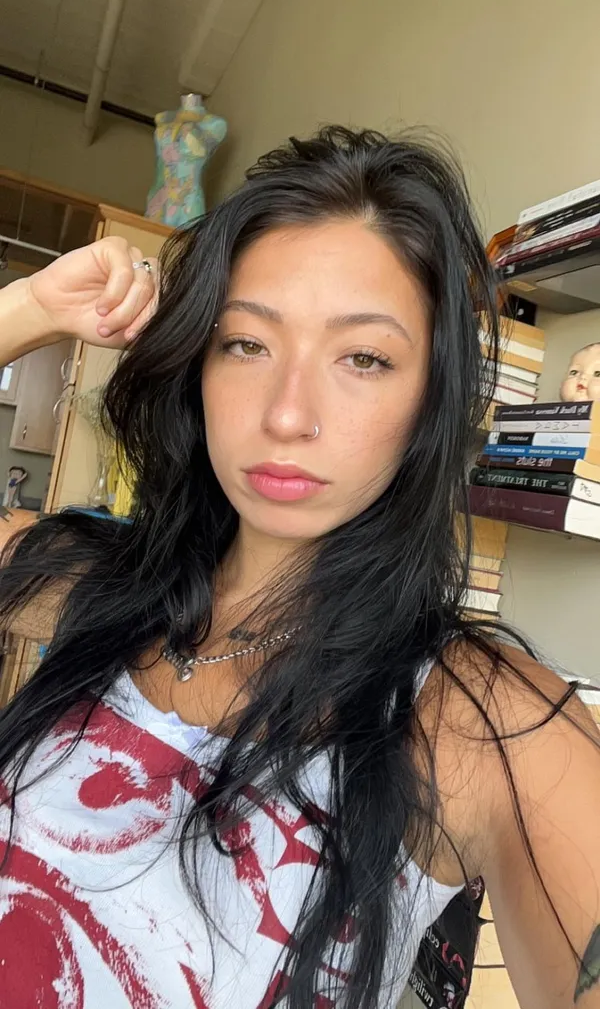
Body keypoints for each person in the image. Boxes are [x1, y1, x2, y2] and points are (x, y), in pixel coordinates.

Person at [0, 127, 598, 1009]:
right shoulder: (96, 584)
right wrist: (26, 309)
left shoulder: (479, 723)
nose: (287, 414)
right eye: (246, 343)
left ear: (429, 402)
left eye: (364, 358)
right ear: (197, 365)